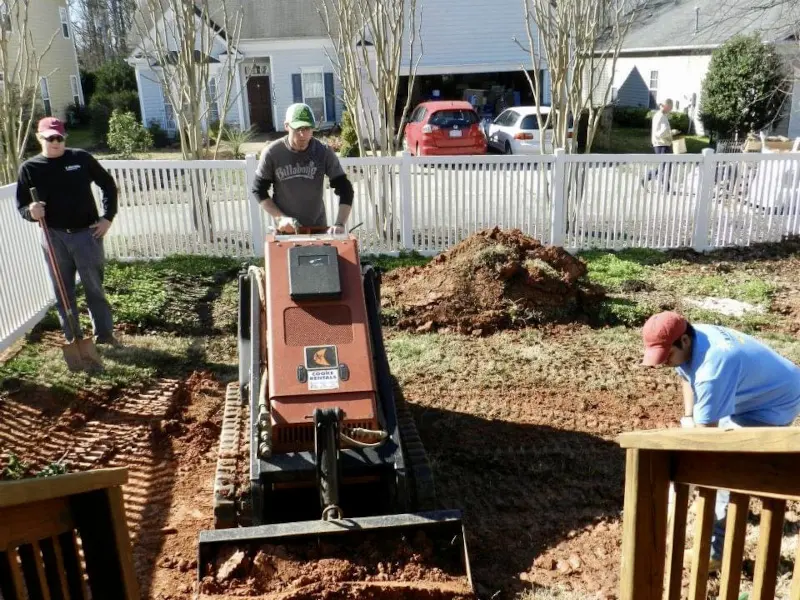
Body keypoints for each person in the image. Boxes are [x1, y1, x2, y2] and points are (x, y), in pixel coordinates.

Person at [641, 311, 800, 570]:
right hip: (756, 387)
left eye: (666, 356)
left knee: (725, 468)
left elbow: (707, 444)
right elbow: (685, 374)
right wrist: (688, 418)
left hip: (775, 401)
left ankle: (716, 552)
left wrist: (684, 472)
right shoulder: (692, 336)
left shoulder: (713, 366)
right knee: (720, 452)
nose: (663, 364)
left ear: (684, 341)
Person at [16, 117, 119, 346]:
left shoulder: (80, 158)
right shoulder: (30, 169)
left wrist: (107, 218)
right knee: (63, 291)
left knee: (94, 287)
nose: (56, 142)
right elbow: (22, 206)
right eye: (50, 138)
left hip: (87, 234)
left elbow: (108, 184)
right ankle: (74, 338)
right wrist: (31, 212)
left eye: (60, 138)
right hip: (54, 237)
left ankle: (104, 336)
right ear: (39, 138)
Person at [252, 103, 353, 234]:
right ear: (287, 126)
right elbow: (258, 189)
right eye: (298, 128)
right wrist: (280, 218)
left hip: (317, 229)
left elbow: (345, 189)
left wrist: (340, 224)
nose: (303, 135)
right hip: (285, 230)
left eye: (307, 128)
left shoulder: (323, 152)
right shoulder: (272, 153)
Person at [643, 99, 676, 189]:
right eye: (671, 107)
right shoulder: (659, 116)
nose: (671, 109)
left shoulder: (663, 116)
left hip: (665, 144)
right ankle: (648, 177)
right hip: (661, 144)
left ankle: (665, 185)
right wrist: (671, 132)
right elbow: (660, 133)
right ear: (667, 106)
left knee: (666, 165)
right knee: (663, 166)